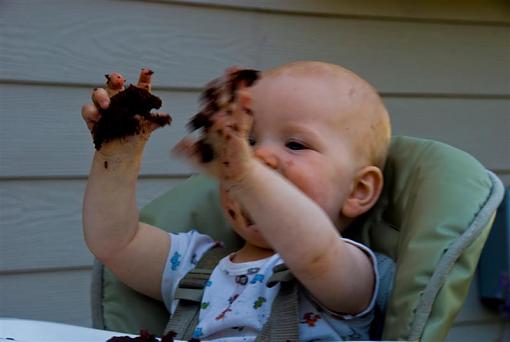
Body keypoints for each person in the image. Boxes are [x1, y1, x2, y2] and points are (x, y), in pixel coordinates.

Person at [81, 61, 393, 341]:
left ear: (358, 191)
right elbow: (114, 242)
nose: (257, 156)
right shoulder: (195, 265)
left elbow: (315, 253)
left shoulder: (349, 270)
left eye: (295, 144)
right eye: (249, 141)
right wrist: (116, 154)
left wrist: (247, 177)